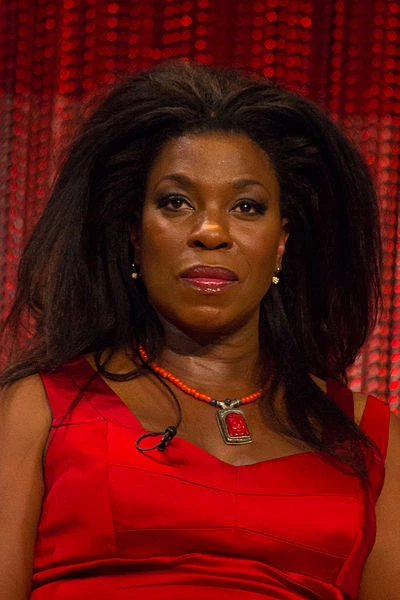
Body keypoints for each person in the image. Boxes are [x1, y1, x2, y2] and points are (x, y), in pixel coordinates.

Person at [0, 61, 399, 600]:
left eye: (246, 207)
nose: (211, 231)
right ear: (134, 233)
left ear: (281, 240)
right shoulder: (41, 407)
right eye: (176, 202)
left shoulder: (370, 436)